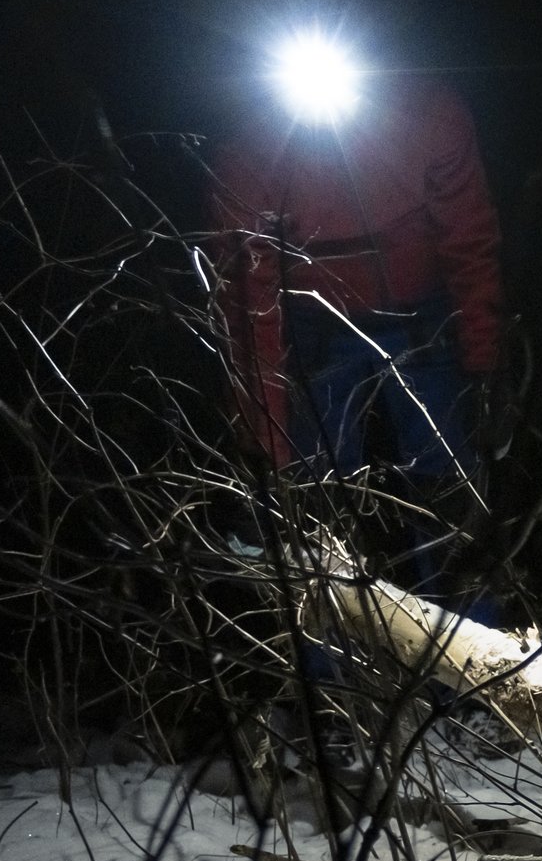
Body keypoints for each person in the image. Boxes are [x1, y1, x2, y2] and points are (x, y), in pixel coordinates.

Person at [211, 48, 504, 611]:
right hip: (315, 328)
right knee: (310, 500)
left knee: (449, 494)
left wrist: (486, 364)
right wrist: (266, 440)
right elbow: (250, 301)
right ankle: (331, 683)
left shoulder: (428, 114)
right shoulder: (254, 150)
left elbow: (469, 242)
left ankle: (478, 666)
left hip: (421, 318)